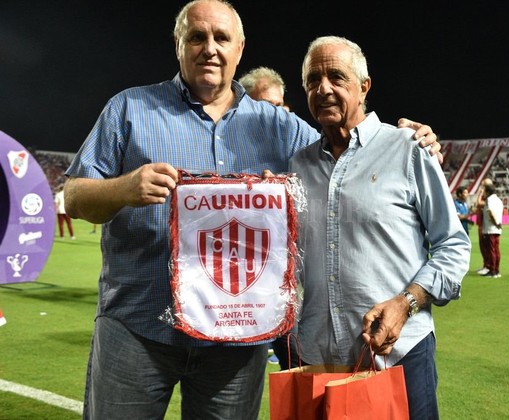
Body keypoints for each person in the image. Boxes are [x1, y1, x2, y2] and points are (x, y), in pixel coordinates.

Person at [63, 1, 440, 418]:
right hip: (139, 329)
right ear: (177, 43)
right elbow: (74, 197)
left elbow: (344, 150)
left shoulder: (278, 126)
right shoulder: (130, 109)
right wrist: (123, 188)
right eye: (197, 37)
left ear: (239, 48)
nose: (210, 48)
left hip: (237, 343)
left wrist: (409, 139)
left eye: (221, 38)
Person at [288, 36, 471, 419]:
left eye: (337, 77)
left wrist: (407, 303)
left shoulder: (408, 148)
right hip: (319, 359)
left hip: (399, 356)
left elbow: (454, 246)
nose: (323, 89)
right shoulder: (297, 166)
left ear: (364, 86)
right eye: (313, 80)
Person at [239, 66, 300, 370]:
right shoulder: (222, 146)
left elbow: (346, 147)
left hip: (284, 278)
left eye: (279, 105)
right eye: (265, 105)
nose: (274, 114)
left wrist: (406, 136)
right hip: (241, 279)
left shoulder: (295, 141)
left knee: (297, 364)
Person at [481, 182, 503, 278]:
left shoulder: (489, 200)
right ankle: (497, 271)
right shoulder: (499, 200)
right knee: (496, 250)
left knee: (491, 251)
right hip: (497, 229)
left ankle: (492, 271)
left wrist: (496, 223)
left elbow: (491, 212)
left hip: (490, 229)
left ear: (487, 191)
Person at [475, 178, 493, 275]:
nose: (481, 188)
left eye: (483, 186)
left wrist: (480, 193)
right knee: (482, 246)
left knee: (486, 246)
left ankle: (488, 266)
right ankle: (485, 265)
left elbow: (478, 204)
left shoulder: (489, 198)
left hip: (485, 224)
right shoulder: (485, 197)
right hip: (481, 223)